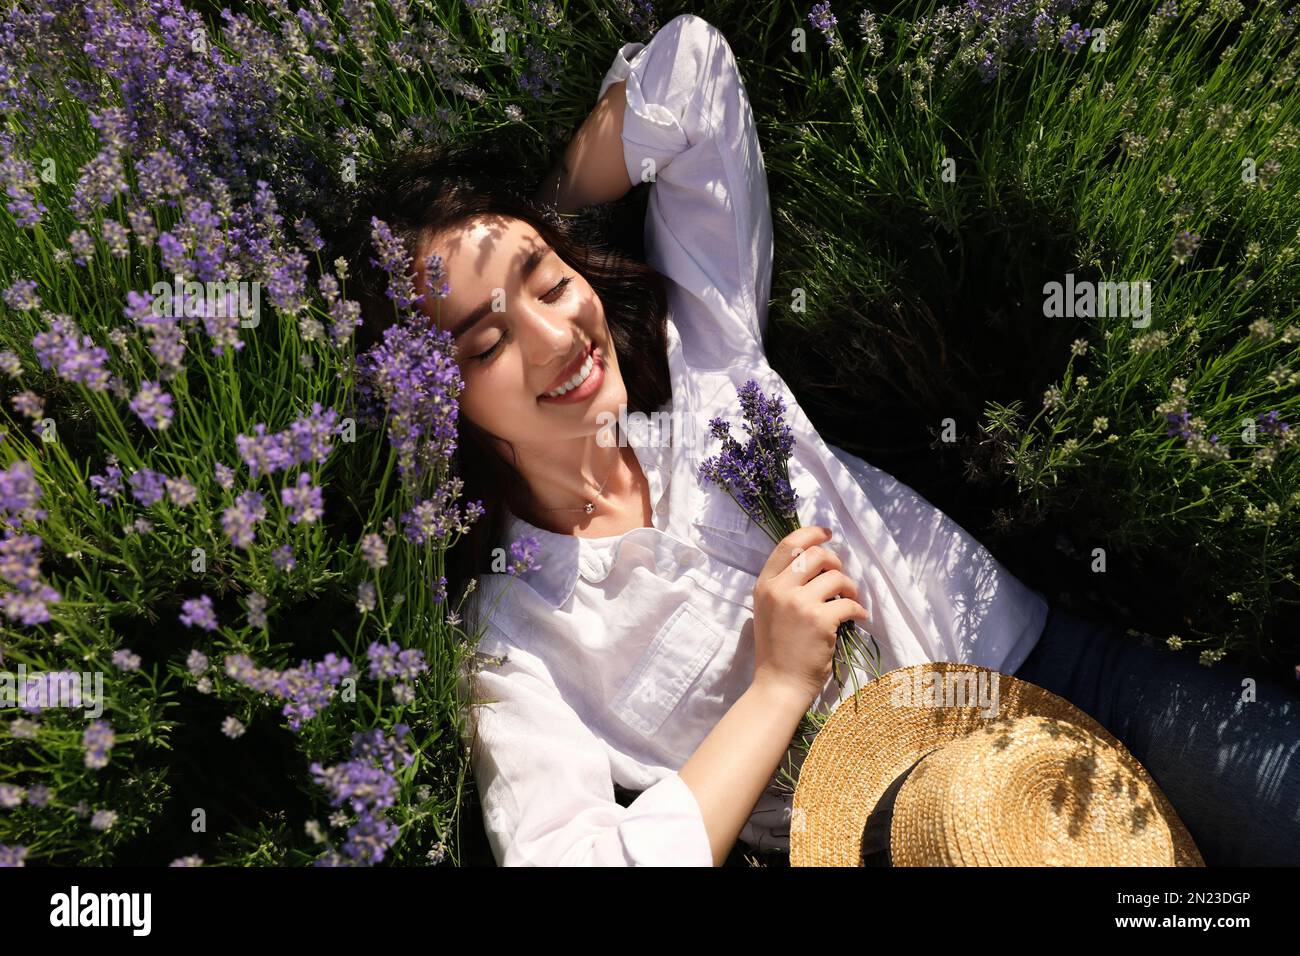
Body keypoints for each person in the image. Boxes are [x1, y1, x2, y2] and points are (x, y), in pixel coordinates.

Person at [340, 14, 1300, 866]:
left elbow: (694, 76)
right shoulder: (517, 638)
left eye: (549, 283)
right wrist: (776, 687)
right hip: (905, 838)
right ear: (430, 405)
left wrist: (537, 211)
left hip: (1057, 674)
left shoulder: (699, 352)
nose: (558, 336)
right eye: (487, 340)